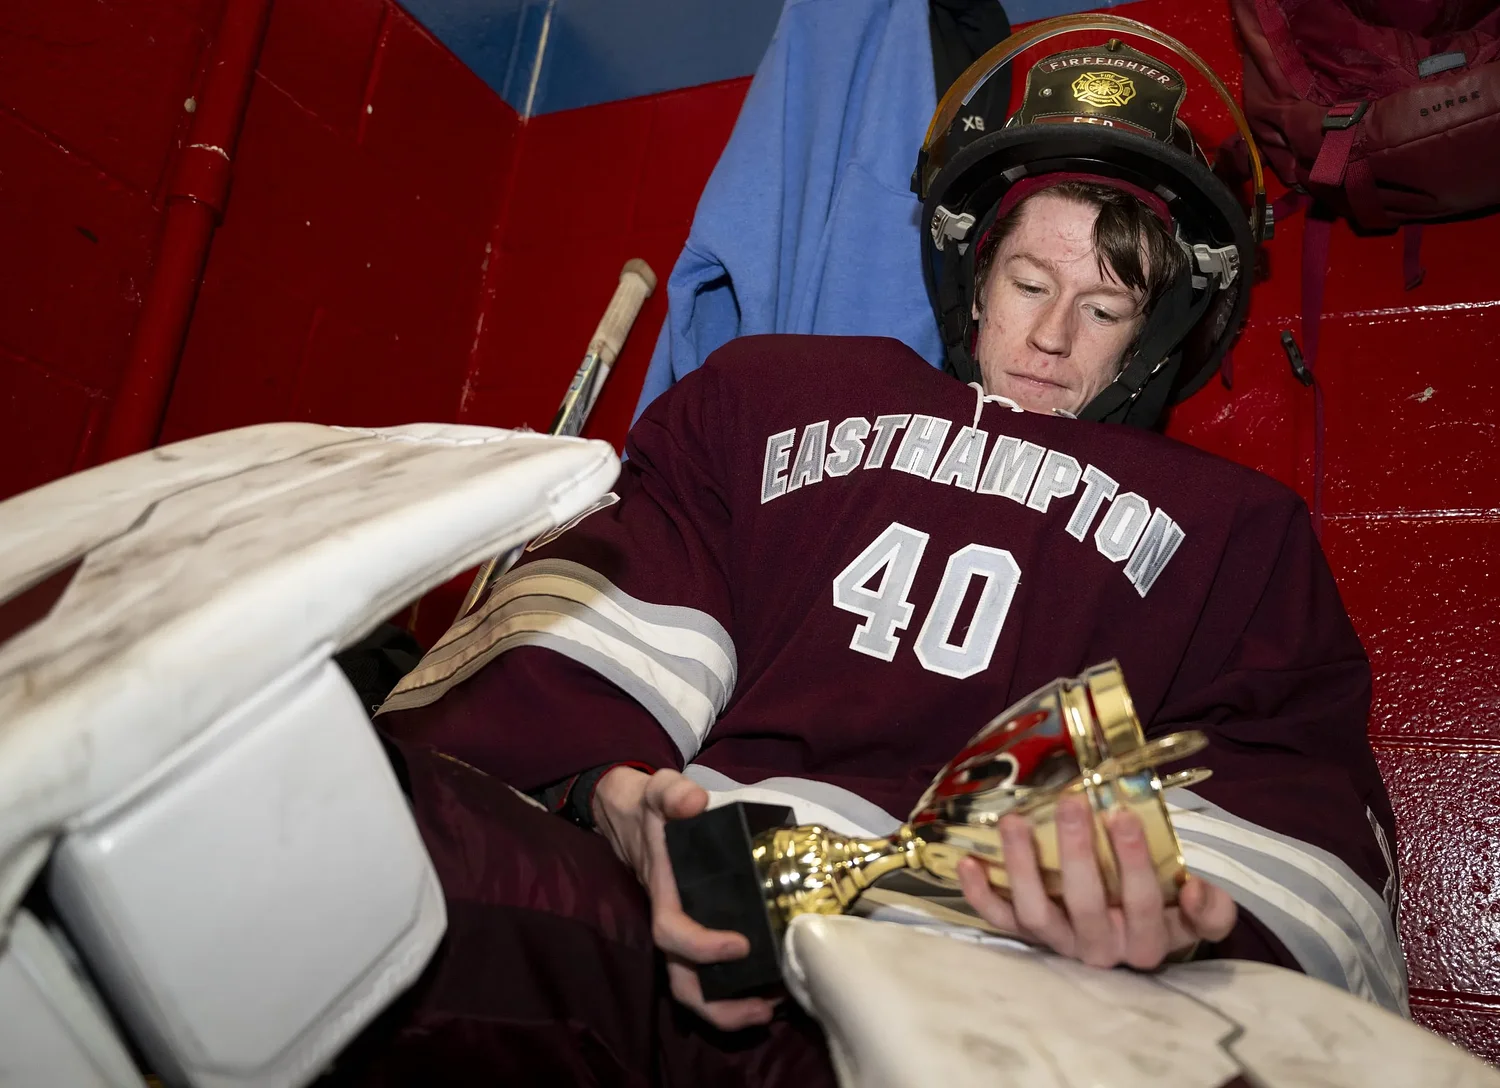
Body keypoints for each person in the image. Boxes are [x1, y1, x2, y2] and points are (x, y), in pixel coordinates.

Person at [350, 31, 1404, 1088]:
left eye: (1103, 308)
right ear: (976, 280)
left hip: (999, 988)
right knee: (354, 822)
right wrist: (602, 791)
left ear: (1154, 334)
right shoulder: (762, 396)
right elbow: (605, 628)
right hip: (696, 895)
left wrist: (1173, 916)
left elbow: (1292, 813)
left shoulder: (1238, 533)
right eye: (1029, 282)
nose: (1051, 337)